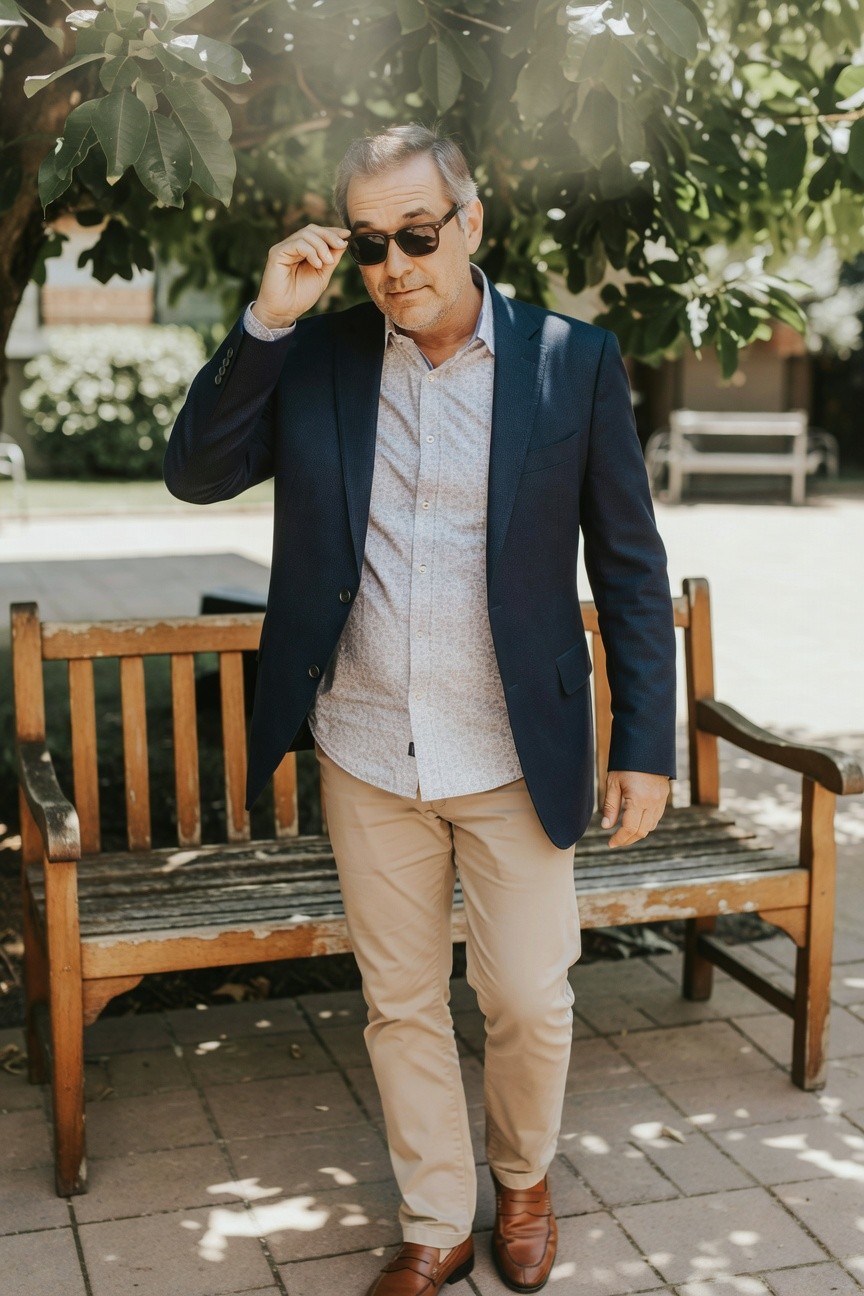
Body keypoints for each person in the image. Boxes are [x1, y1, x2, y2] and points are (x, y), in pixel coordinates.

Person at [164, 123, 677, 1296]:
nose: (394, 266)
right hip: (365, 745)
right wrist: (268, 322)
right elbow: (196, 472)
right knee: (398, 1003)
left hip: (514, 748)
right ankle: (437, 1220)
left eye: (417, 234)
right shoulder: (320, 357)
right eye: (370, 243)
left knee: (527, 999)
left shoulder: (572, 360)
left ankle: (525, 1180)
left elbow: (631, 568)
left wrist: (646, 742)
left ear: (470, 222)